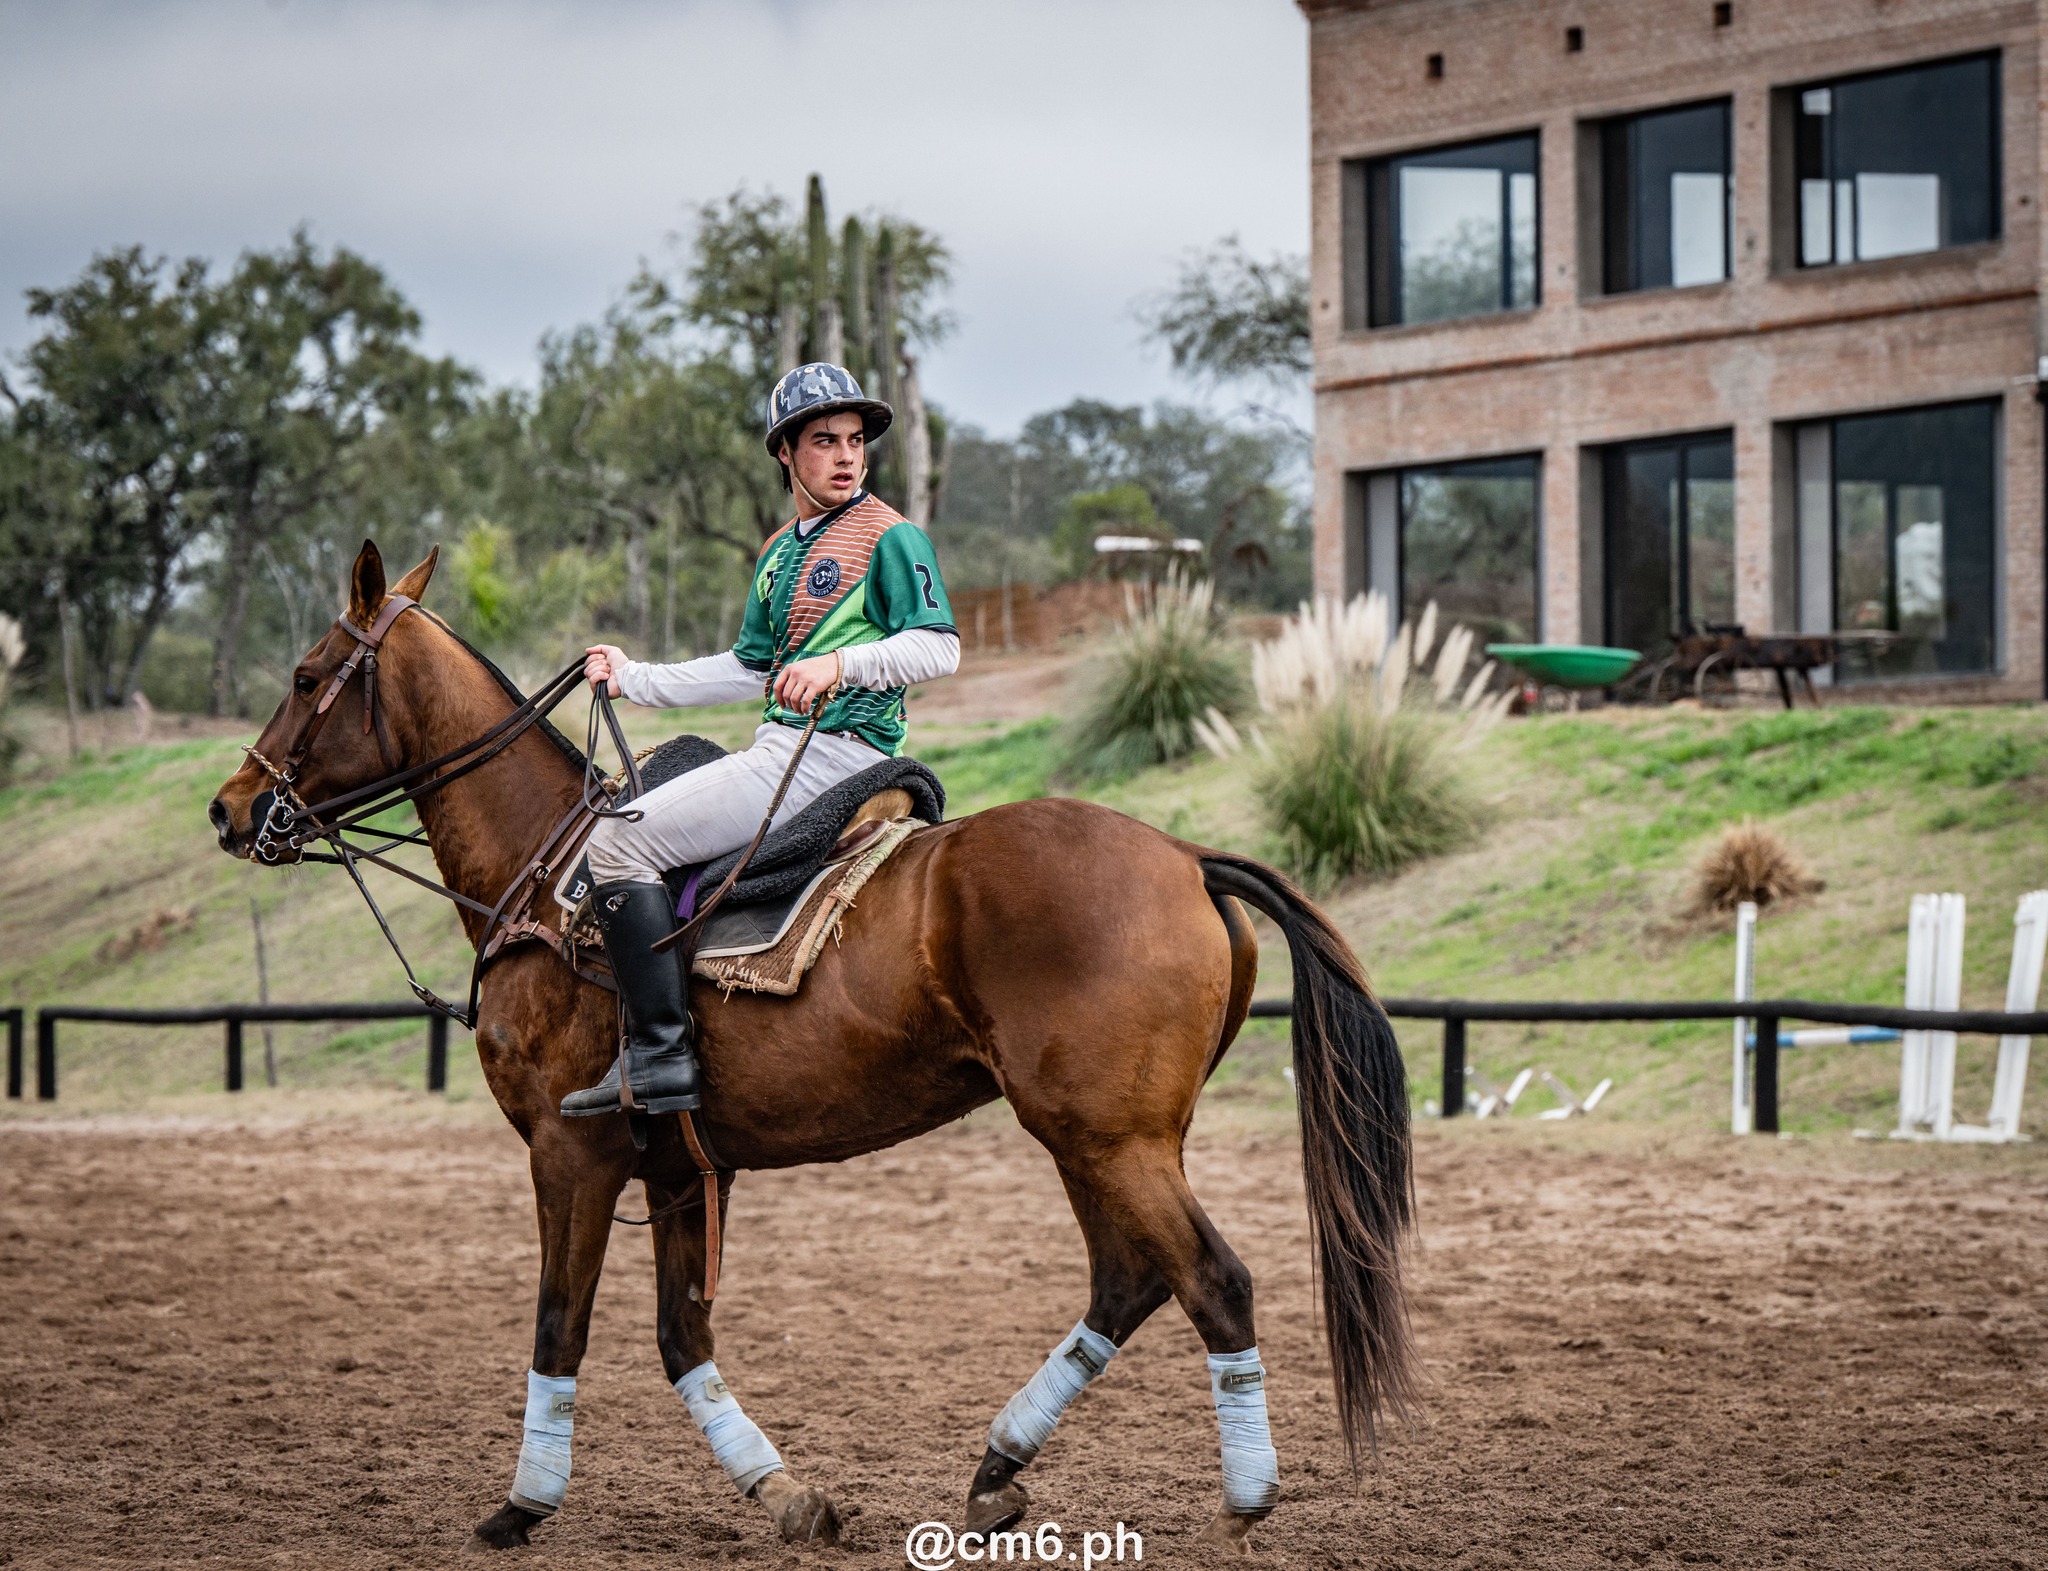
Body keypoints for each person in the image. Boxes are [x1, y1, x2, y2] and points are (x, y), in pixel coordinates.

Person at [560, 362, 960, 1118]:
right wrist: (634, 676)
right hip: (782, 750)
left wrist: (840, 663)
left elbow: (940, 648)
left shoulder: (892, 537)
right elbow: (749, 665)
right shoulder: (779, 554)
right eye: (824, 441)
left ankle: (659, 1055)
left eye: (854, 441)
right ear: (785, 452)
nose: (846, 456)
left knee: (615, 845)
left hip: (838, 756)